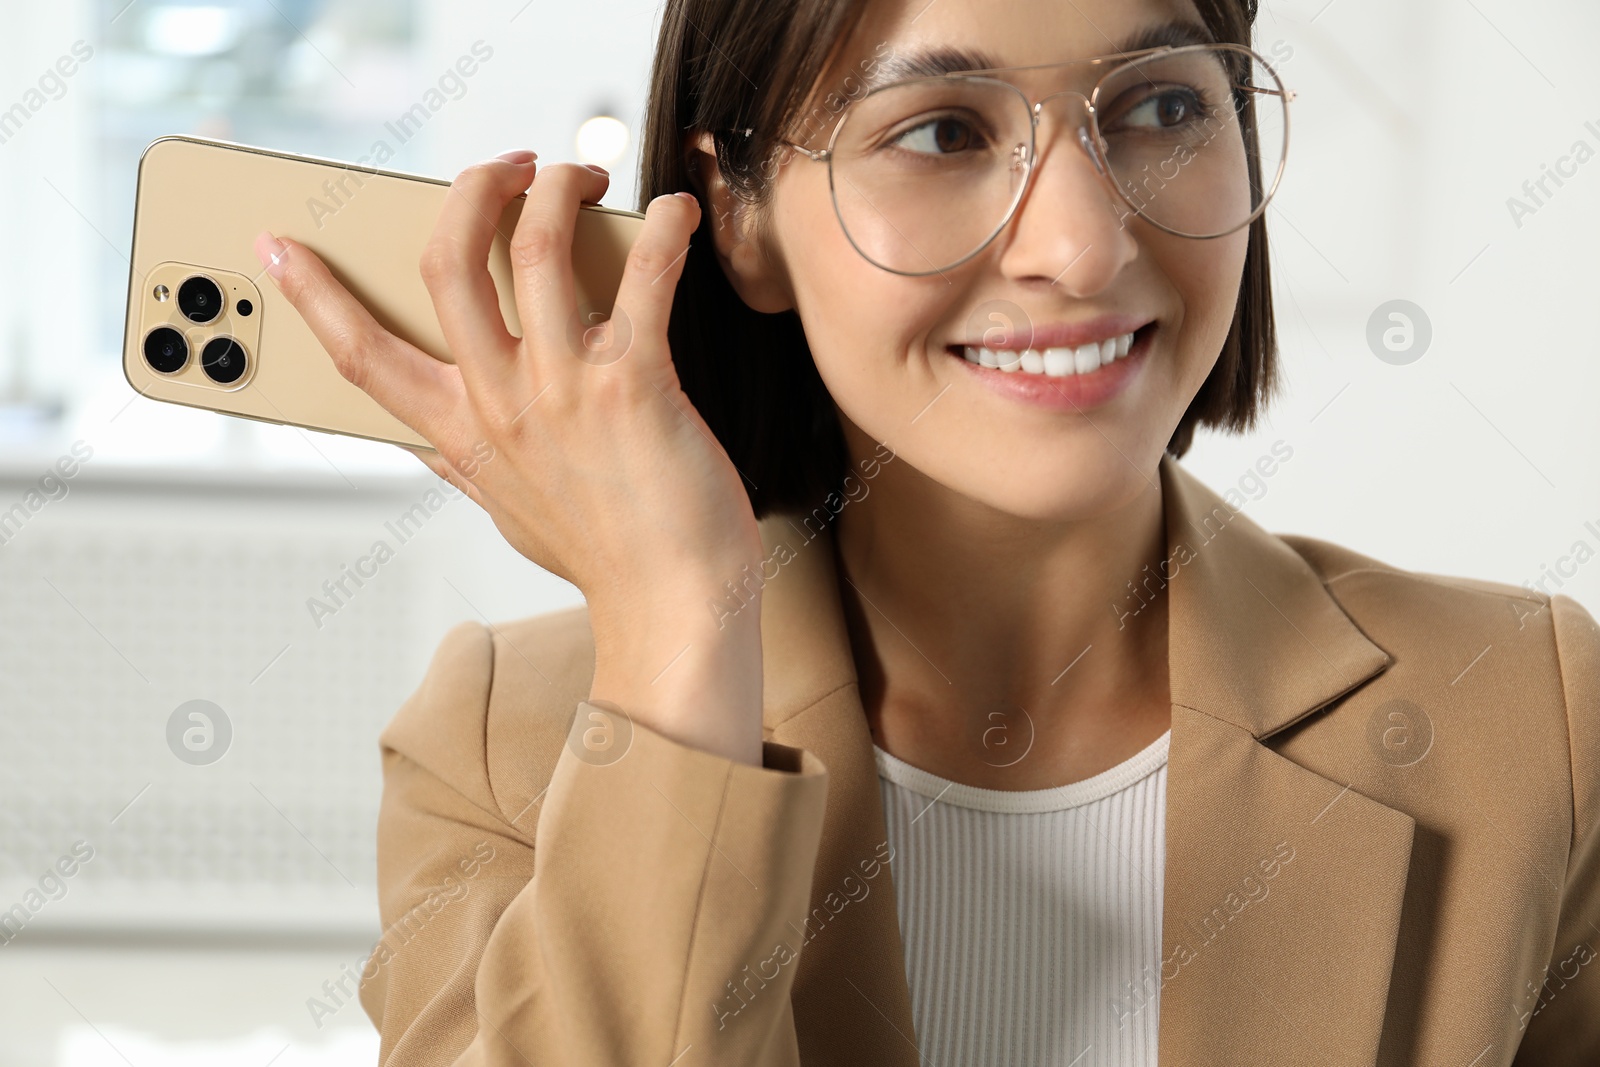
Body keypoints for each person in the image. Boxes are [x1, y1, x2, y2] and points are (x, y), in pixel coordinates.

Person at [254, 0, 1600, 1062]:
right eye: (945, 132)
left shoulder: (1533, 716)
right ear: (739, 218)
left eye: (1164, 105)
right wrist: (677, 630)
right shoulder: (498, 745)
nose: (1080, 246)